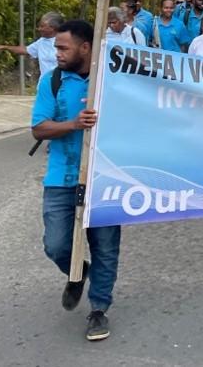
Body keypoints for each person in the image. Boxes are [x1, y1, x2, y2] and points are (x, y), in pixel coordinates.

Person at [31, 20, 121, 341]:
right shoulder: (52, 81)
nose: (57, 53)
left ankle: (99, 310)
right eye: (56, 47)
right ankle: (78, 272)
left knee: (105, 247)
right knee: (55, 244)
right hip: (61, 177)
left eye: (62, 47)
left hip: (105, 177)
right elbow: (39, 128)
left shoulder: (112, 80)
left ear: (85, 48)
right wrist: (73, 124)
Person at [0, 11, 64, 78]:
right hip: (45, 85)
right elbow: (25, 50)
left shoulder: (66, 41)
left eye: (42, 26)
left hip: (63, 84)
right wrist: (4, 47)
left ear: (52, 28)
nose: (39, 29)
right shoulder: (41, 42)